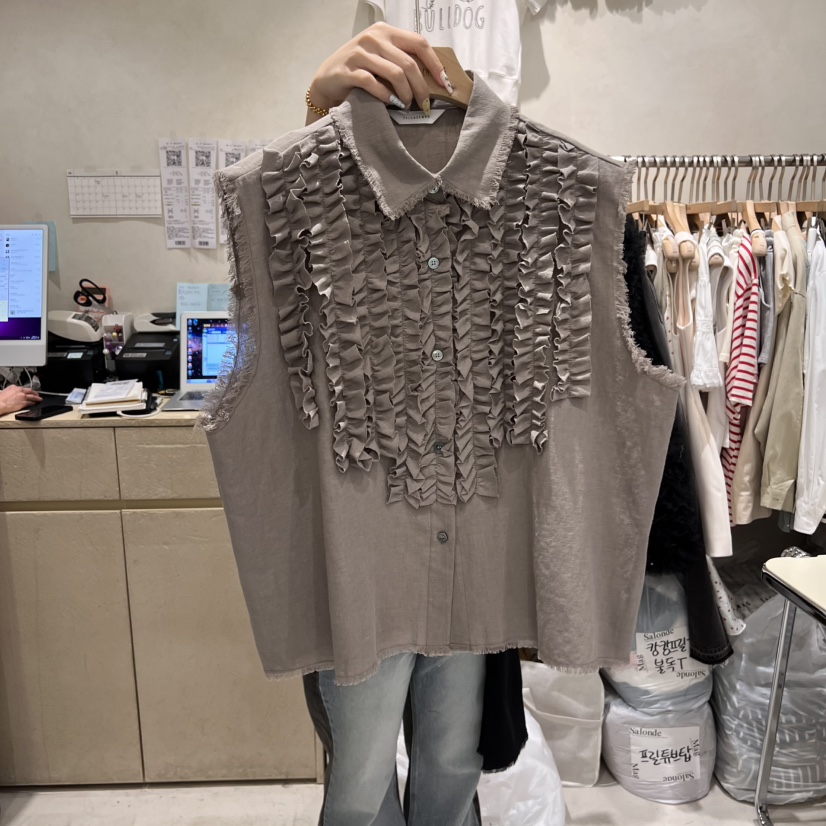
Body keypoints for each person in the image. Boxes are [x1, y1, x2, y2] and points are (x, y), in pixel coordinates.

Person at [298, 23, 494, 826]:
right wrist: (317, 113)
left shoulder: (515, 201)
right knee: (362, 775)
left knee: (451, 763)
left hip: (467, 541)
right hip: (359, 547)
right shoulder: (320, 197)